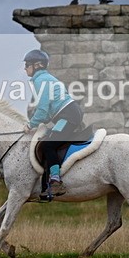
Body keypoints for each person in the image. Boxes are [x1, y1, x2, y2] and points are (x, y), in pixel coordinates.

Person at [24, 49, 85, 197]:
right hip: (67, 115)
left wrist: (30, 124)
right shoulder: (46, 78)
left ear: (36, 65)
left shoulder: (41, 80)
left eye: (27, 65)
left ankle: (56, 181)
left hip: (68, 116)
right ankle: (46, 186)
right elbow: (47, 112)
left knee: (48, 145)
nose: (25, 68)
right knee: (48, 140)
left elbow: (43, 109)